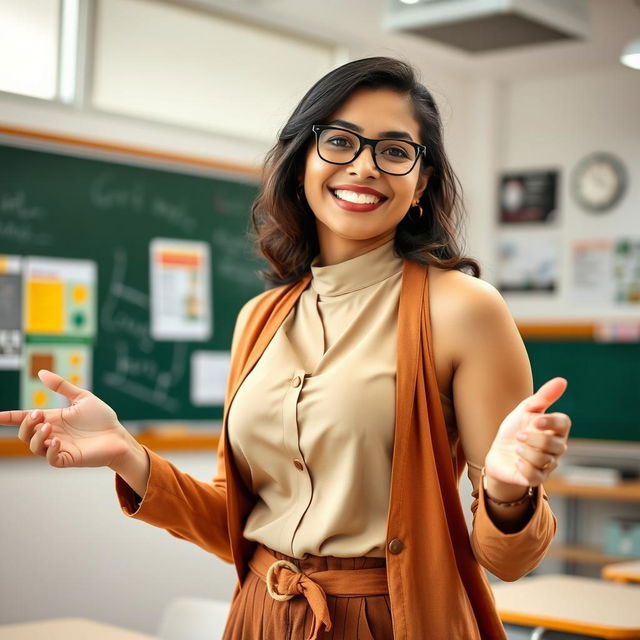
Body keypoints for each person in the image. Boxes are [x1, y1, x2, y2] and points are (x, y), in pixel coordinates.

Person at [3, 57, 571, 639]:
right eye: (340, 142)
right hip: (261, 617)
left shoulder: (465, 309)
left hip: (393, 620)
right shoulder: (260, 318)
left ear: (420, 183)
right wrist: (128, 454)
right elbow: (234, 524)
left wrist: (505, 492)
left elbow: (511, 559)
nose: (365, 166)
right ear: (302, 159)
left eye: (395, 152)